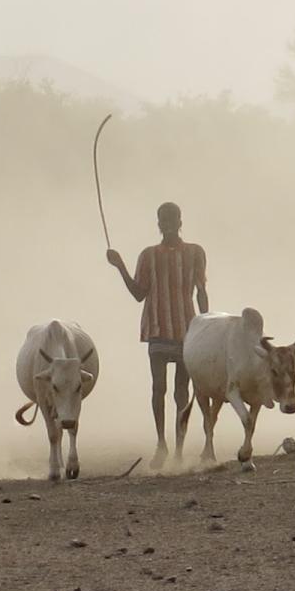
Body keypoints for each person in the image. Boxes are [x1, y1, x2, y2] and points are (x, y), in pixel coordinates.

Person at [107, 201, 208, 468]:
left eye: (172, 218)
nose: (168, 223)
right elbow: (139, 293)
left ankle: (178, 448)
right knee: (159, 388)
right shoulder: (148, 255)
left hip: (187, 330)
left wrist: (205, 324)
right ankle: (162, 444)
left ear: (180, 221)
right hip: (158, 329)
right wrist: (120, 266)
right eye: (164, 219)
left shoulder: (196, 253)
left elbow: (201, 291)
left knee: (182, 391)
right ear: (158, 223)